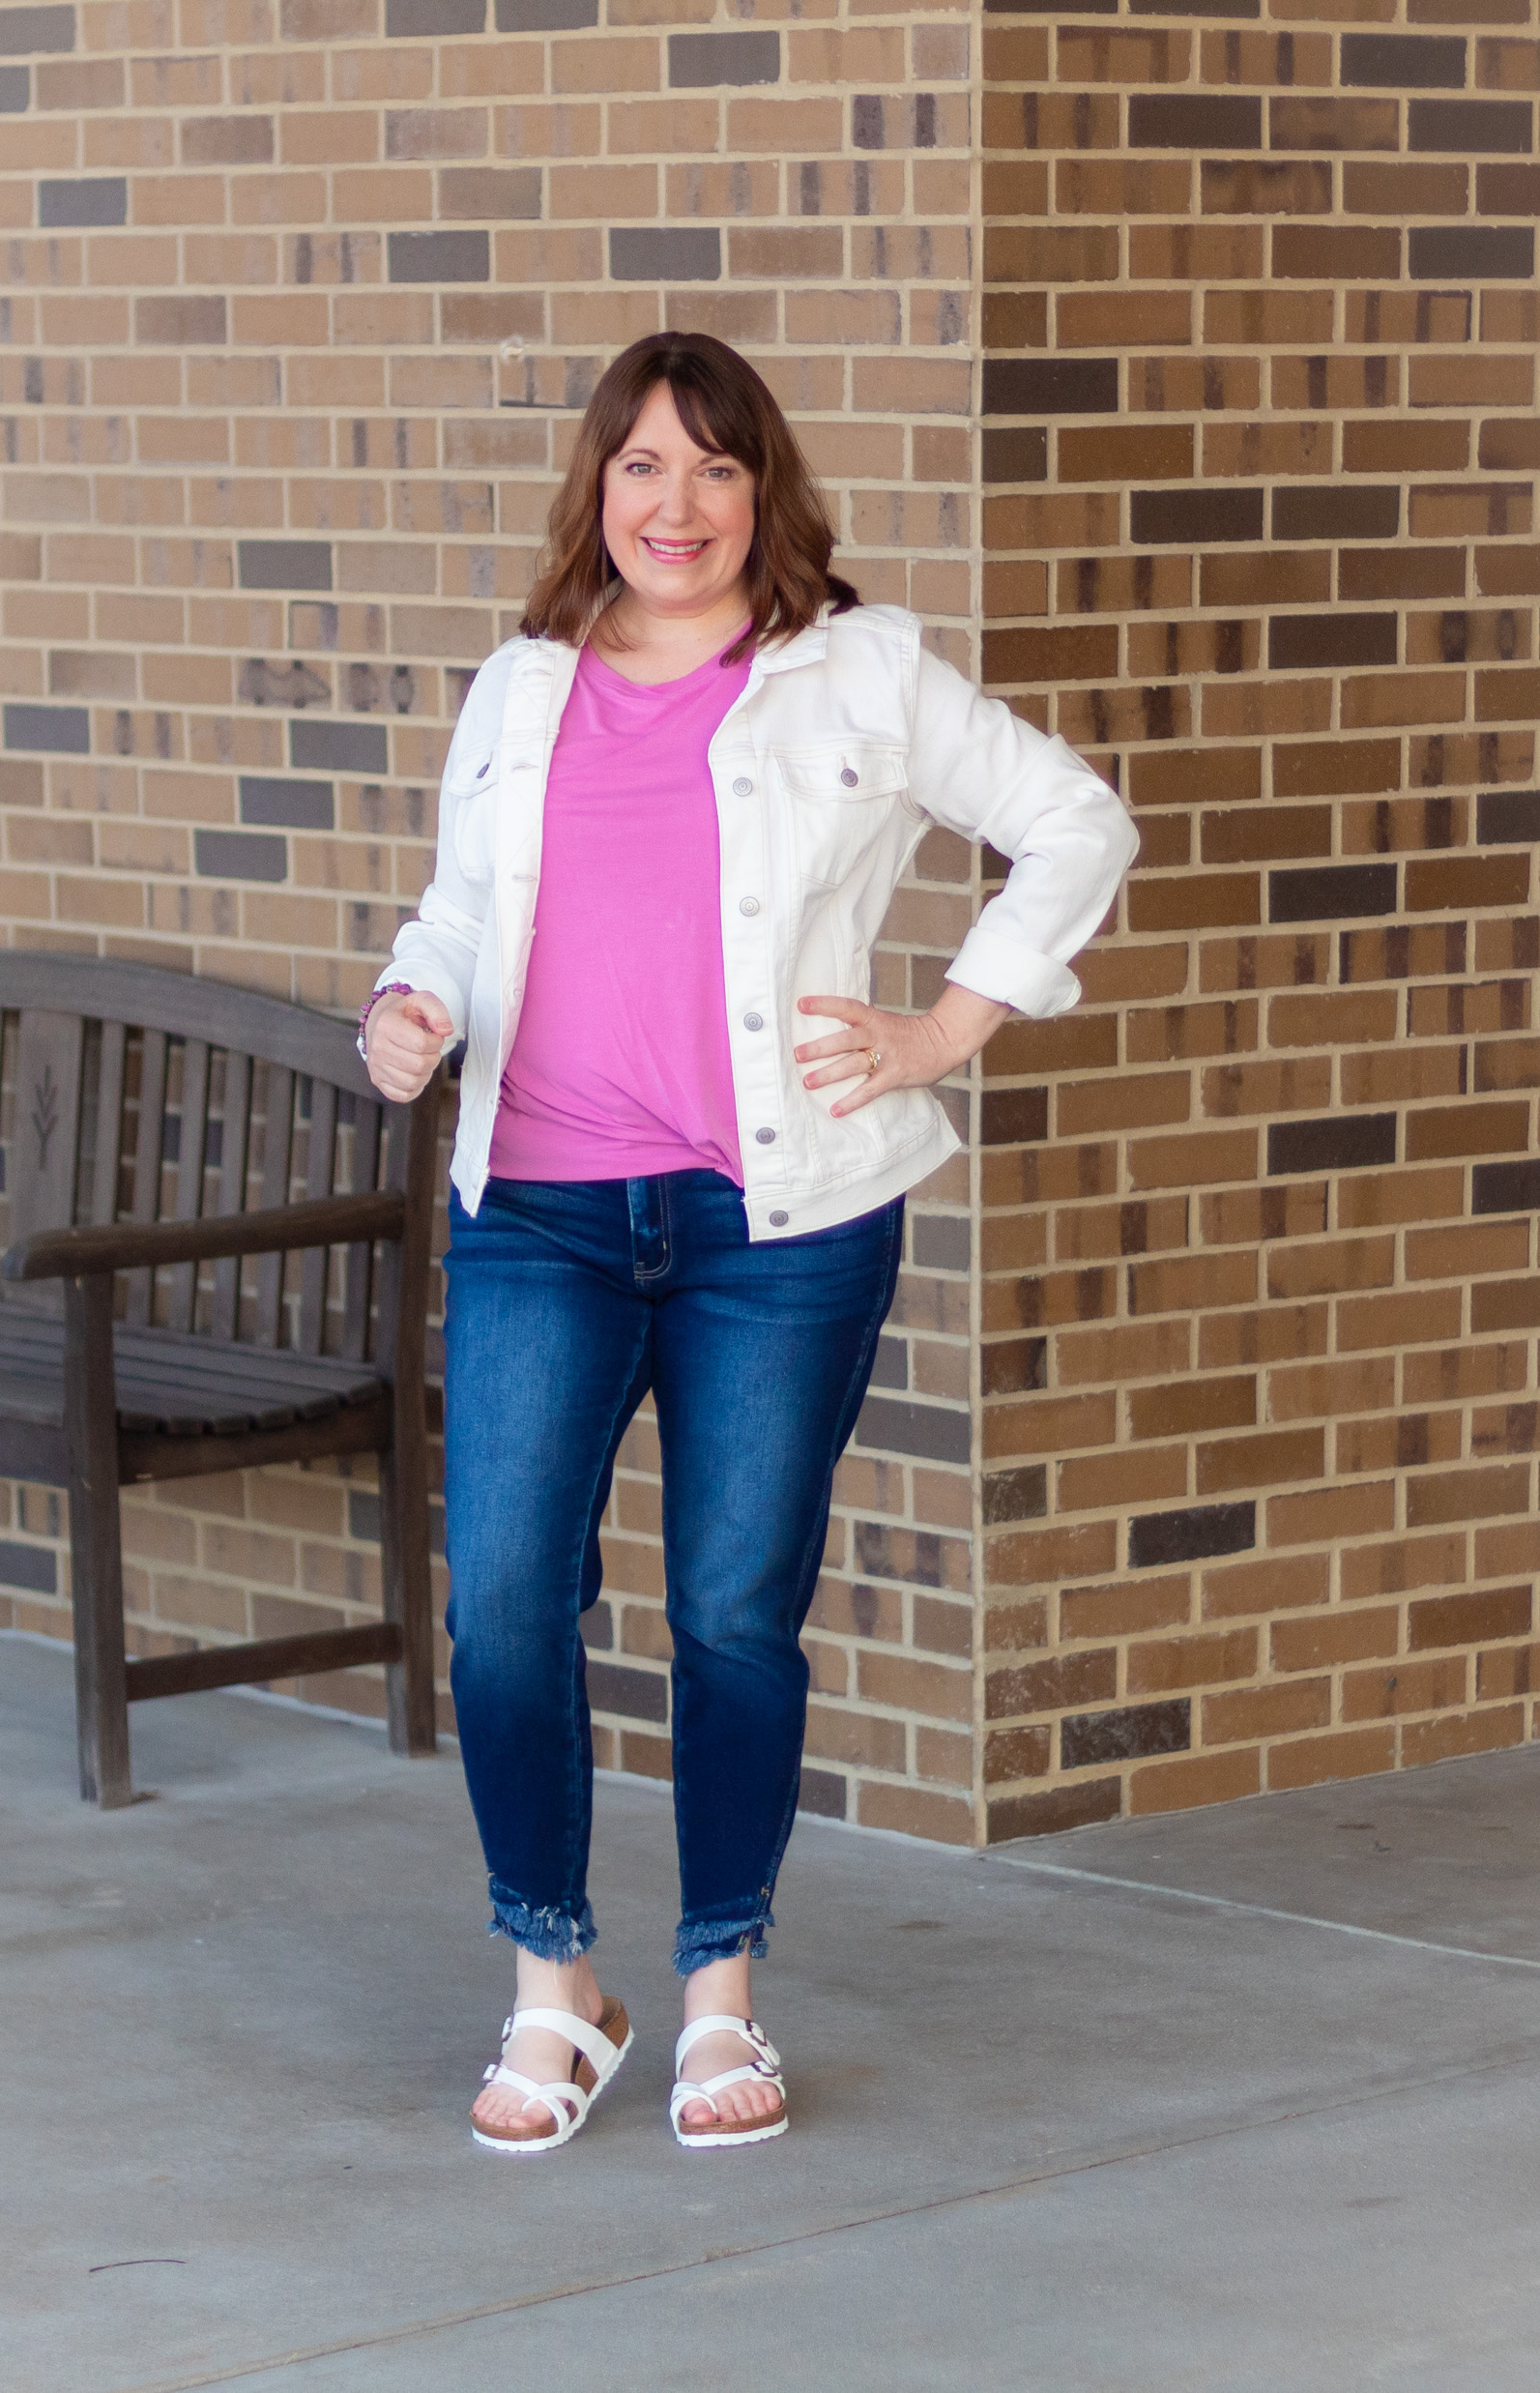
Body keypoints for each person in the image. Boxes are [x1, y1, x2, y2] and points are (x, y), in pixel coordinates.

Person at [362, 329, 1137, 2155]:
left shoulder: (855, 673)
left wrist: (945, 1027)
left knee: (729, 1612)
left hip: (774, 1225)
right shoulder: (521, 685)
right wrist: (413, 998)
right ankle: (555, 1984)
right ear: (599, 491)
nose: (677, 504)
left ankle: (720, 1990)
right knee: (503, 1613)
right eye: (641, 466)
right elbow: (463, 911)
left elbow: (1070, 821)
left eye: (714, 467)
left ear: (761, 489)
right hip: (539, 1214)